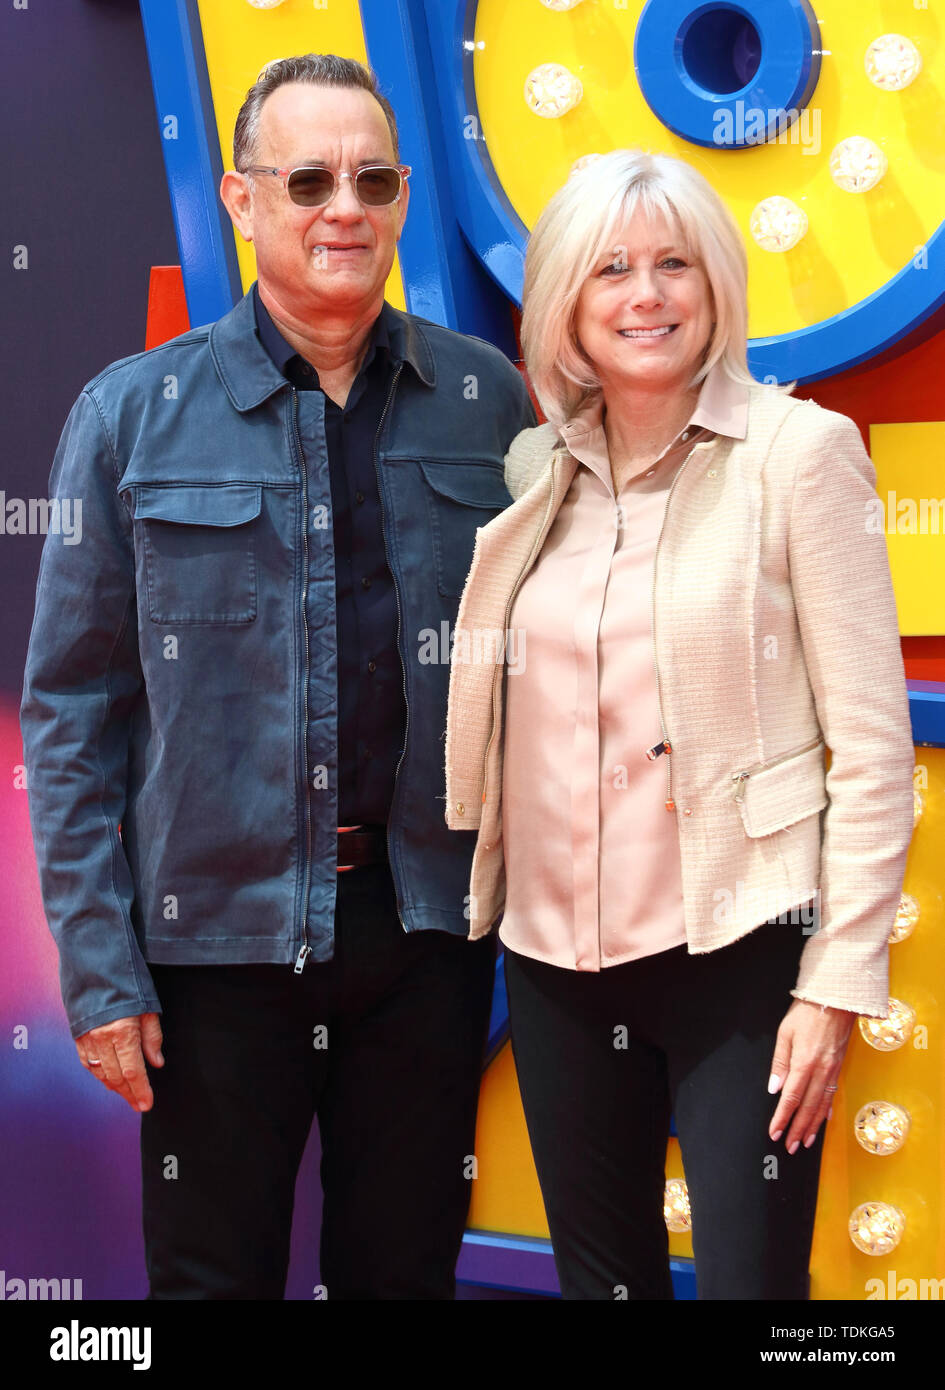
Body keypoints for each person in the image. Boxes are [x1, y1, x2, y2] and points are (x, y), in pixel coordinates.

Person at [20, 53, 534, 1300]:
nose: (342, 207)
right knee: (211, 1282)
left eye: (372, 178)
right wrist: (99, 973)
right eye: (306, 179)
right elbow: (72, 712)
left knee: (402, 1277)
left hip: (426, 937)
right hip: (215, 952)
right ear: (244, 201)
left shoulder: (485, 401)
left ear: (407, 196)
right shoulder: (133, 414)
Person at [444, 149, 915, 1300]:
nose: (645, 294)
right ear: (565, 299)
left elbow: (873, 745)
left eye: (673, 265)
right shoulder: (535, 467)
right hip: (555, 963)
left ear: (715, 288)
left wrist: (836, 981)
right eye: (611, 268)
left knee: (756, 1293)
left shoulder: (800, 456)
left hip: (739, 961)